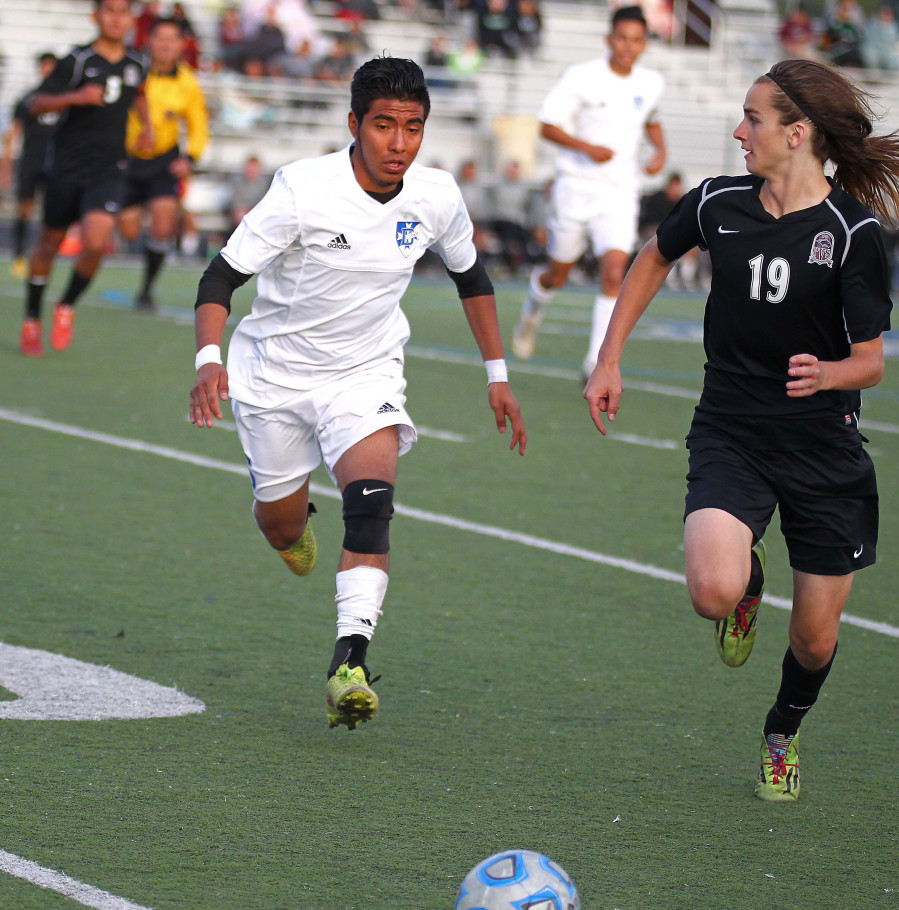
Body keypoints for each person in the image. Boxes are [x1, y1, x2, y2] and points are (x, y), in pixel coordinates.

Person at [583, 58, 899, 802]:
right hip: (731, 428)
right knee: (713, 591)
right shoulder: (716, 202)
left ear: (797, 133)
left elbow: (870, 361)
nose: (740, 132)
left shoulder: (851, 231)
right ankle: (747, 580)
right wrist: (609, 357)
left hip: (822, 448)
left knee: (814, 638)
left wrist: (828, 374)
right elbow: (652, 258)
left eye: (754, 119)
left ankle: (782, 731)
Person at [188, 56, 527, 731]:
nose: (399, 143)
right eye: (383, 126)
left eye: (413, 128)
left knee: (372, 504)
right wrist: (207, 360)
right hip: (275, 377)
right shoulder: (302, 189)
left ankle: (351, 661)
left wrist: (498, 375)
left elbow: (473, 277)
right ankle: (291, 529)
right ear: (353, 124)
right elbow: (220, 277)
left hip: (365, 374)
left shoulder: (435, 196)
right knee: (279, 524)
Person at [512, 5, 666, 379]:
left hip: (619, 192)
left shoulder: (651, 82)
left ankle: (595, 361)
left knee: (615, 272)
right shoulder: (581, 77)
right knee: (558, 273)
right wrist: (587, 148)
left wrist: (660, 150)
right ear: (608, 39)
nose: (628, 47)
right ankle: (533, 308)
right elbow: (547, 126)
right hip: (575, 188)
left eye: (635, 40)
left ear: (644, 43)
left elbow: (652, 119)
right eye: (621, 38)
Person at [18, 0, 150, 357]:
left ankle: (67, 305)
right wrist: (75, 96)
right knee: (49, 243)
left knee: (95, 242)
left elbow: (139, 95)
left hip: (108, 169)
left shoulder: (138, 62)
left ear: (130, 18)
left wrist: (147, 128)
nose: (116, 18)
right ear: (96, 16)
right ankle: (31, 316)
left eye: (123, 11)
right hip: (66, 167)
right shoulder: (76, 61)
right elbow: (34, 103)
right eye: (109, 10)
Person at [119, 16, 209, 311]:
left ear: (182, 45)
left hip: (164, 161)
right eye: (160, 37)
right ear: (149, 40)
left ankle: (146, 289)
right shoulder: (131, 71)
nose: (166, 44)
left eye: (173, 39)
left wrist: (190, 158)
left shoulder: (188, 83)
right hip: (126, 160)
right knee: (129, 230)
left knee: (162, 224)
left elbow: (198, 125)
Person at [0, 52, 59, 280]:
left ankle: (44, 255)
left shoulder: (66, 98)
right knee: (24, 208)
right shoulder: (29, 98)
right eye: (44, 66)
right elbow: (14, 130)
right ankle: (19, 254)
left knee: (53, 211)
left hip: (57, 161)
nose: (48, 70)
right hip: (31, 160)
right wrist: (6, 163)